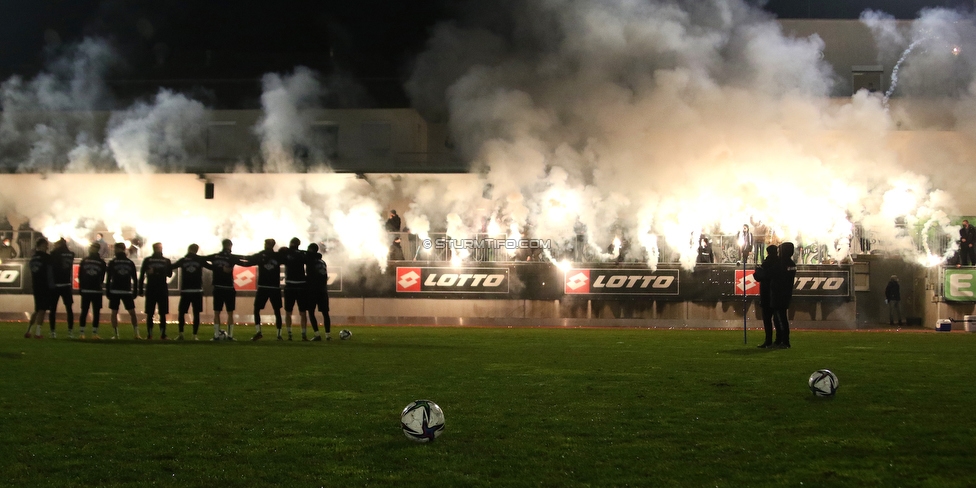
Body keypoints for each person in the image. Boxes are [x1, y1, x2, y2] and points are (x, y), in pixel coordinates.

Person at [205, 239, 247, 340]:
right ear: (230, 246)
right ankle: (230, 336)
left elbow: (202, 260)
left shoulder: (215, 256)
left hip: (218, 287)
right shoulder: (231, 257)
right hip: (229, 288)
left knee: (217, 312)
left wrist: (214, 268)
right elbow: (245, 263)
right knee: (230, 312)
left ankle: (216, 335)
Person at [172, 244, 212, 340]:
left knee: (181, 312)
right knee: (196, 313)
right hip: (197, 290)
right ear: (197, 250)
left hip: (186, 290)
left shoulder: (183, 260)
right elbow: (212, 267)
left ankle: (181, 333)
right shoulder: (200, 259)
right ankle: (194, 335)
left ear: (189, 249)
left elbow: (172, 266)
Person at [246, 238, 284, 341]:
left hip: (263, 287)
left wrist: (234, 260)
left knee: (257, 309)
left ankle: (259, 332)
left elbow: (248, 260)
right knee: (277, 311)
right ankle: (279, 334)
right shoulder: (278, 256)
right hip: (275, 288)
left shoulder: (261, 254)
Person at [138, 242, 172, 340]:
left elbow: (169, 274)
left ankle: (163, 334)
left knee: (163, 313)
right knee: (150, 313)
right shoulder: (148, 260)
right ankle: (150, 334)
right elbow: (142, 275)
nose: (158, 249)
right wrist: (140, 289)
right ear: (153, 248)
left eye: (159, 247)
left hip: (161, 289)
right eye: (157, 247)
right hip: (152, 288)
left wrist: (156, 271)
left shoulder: (166, 260)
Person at [106, 242, 139, 339]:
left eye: (116, 249)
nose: (114, 251)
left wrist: (108, 290)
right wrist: (135, 291)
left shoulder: (115, 262)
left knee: (125, 312)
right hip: (122, 290)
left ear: (120, 249)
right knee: (122, 313)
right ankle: (119, 334)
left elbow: (108, 278)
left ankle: (133, 333)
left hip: (120, 290)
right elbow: (135, 279)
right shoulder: (128, 262)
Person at [25, 238, 55, 338]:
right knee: (42, 309)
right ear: (42, 245)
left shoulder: (33, 258)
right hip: (45, 286)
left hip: (36, 285)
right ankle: (38, 333)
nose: (47, 247)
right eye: (46, 245)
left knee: (37, 309)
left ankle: (28, 330)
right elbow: (50, 273)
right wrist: (52, 286)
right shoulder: (47, 258)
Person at [280, 237, 308, 341]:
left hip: (290, 285)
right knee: (303, 312)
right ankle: (303, 334)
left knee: (288, 311)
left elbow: (279, 257)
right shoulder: (302, 254)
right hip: (301, 285)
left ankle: (289, 334)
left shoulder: (287, 253)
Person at [78, 243, 107, 339]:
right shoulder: (85, 260)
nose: (91, 248)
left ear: (96, 249)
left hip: (95, 290)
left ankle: (95, 333)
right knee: (85, 311)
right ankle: (82, 332)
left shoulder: (99, 262)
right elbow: (80, 275)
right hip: (88, 289)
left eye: (93, 247)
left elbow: (102, 276)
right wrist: (81, 287)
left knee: (96, 312)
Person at [771, 242, 797, 348]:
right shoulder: (791, 264)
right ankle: (780, 340)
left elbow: (773, 274)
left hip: (780, 293)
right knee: (779, 318)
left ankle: (784, 341)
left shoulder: (782, 263)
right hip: (785, 293)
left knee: (780, 318)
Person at [754, 245, 780, 348]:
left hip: (766, 293)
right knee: (777, 319)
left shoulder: (766, 263)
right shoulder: (779, 262)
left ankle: (768, 340)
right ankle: (779, 340)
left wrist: (757, 270)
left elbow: (759, 277)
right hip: (777, 293)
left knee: (767, 319)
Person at [49, 238, 76, 338]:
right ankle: (70, 331)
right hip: (67, 284)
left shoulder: (55, 253)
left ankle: (52, 331)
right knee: (69, 308)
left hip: (56, 284)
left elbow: (52, 261)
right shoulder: (70, 254)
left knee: (53, 309)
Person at [305, 243, 331, 341]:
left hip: (312, 290)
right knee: (325, 313)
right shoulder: (323, 262)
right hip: (323, 289)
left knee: (311, 312)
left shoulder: (310, 260)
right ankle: (328, 335)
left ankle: (317, 334)